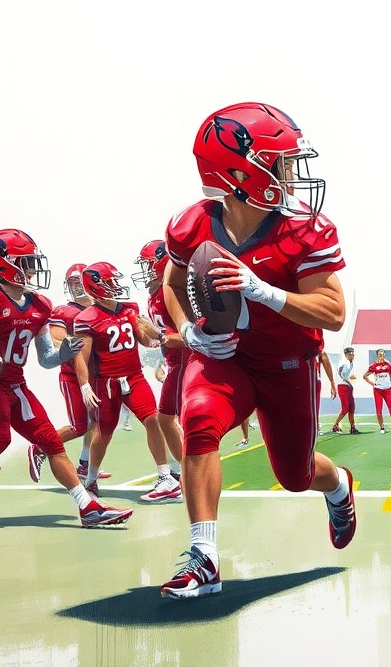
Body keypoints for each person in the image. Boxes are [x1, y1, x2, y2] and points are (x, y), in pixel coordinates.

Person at [158, 102, 357, 599]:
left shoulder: (303, 228)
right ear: (238, 173)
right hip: (224, 356)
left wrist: (262, 289)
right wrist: (187, 329)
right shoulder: (192, 224)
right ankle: (203, 558)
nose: (290, 173)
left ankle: (337, 486)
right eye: (280, 161)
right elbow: (172, 280)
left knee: (295, 475)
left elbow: (333, 312)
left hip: (288, 364)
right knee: (199, 422)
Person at [0, 229, 132, 529]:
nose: (31, 269)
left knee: (52, 443)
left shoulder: (39, 305)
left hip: (17, 384)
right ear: (1, 265)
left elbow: (46, 359)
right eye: (25, 263)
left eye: (31, 263)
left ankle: (87, 507)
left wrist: (64, 352)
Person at [72, 262, 176, 502]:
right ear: (96, 287)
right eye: (109, 283)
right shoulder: (86, 318)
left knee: (153, 419)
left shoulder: (129, 308)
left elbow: (139, 337)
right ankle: (91, 478)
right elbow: (81, 356)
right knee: (105, 432)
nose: (115, 286)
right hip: (107, 383)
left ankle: (165, 476)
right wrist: (85, 385)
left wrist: (152, 340)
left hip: (134, 376)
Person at [42, 265, 109, 482]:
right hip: (72, 374)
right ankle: (40, 446)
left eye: (80, 282)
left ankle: (84, 463)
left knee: (97, 421)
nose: (78, 288)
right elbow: (57, 339)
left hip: (96, 374)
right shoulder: (65, 311)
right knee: (79, 426)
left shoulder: (101, 308)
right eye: (73, 284)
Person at [135, 239, 188, 484]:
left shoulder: (172, 291)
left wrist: (159, 336)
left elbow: (191, 337)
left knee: (166, 418)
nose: (146, 271)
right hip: (174, 361)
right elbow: (162, 339)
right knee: (171, 419)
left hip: (187, 360)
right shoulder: (154, 294)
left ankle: (185, 476)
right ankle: (181, 473)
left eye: (149, 265)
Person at [364, 349, 391, 434]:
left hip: (387, 390)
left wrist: (388, 384)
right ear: (377, 355)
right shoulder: (373, 366)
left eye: (383, 354)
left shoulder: (388, 365)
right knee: (379, 410)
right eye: (380, 354)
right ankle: (382, 427)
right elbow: (364, 376)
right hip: (378, 390)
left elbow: (390, 376)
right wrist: (372, 384)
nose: (381, 356)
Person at [331, 347, 361, 433]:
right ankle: (335, 425)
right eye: (351, 354)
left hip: (347, 386)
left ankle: (353, 427)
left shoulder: (348, 362)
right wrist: (349, 381)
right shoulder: (343, 362)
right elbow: (343, 375)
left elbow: (345, 374)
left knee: (351, 407)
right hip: (343, 386)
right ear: (347, 354)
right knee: (345, 408)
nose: (353, 355)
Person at [315, 349, 337, 435]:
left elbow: (324, 357)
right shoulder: (317, 350)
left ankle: (314, 428)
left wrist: (332, 382)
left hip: (308, 380)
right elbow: (324, 357)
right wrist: (332, 382)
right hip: (311, 381)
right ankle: (314, 428)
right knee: (313, 409)